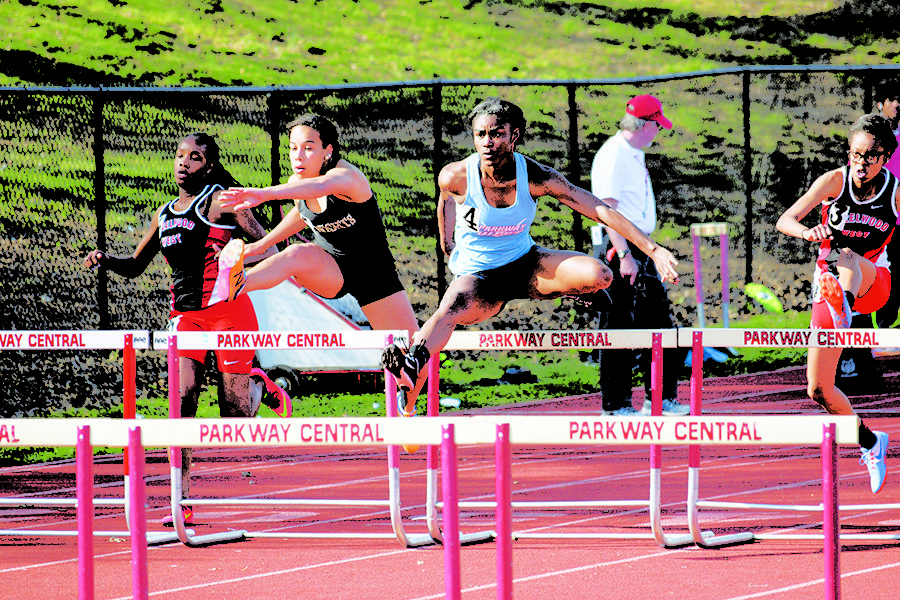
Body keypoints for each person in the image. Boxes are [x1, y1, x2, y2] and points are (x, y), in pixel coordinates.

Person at [380, 98, 679, 401]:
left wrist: (652, 249)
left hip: (526, 265)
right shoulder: (456, 176)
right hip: (481, 280)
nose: (487, 143)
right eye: (480, 135)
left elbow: (598, 208)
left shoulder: (536, 176)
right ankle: (413, 361)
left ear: (515, 136)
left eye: (496, 134)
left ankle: (573, 290)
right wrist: (449, 246)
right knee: (451, 306)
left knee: (600, 274)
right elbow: (445, 203)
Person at [82, 132, 290, 526]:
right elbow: (135, 265)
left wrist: (239, 253)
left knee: (234, 418)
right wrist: (106, 259)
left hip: (230, 312)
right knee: (182, 405)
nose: (183, 163)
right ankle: (182, 498)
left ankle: (262, 383)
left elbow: (272, 245)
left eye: (194, 158)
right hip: (187, 317)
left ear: (209, 166)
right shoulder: (164, 214)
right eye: (179, 155)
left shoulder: (219, 201)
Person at [216, 115, 426, 450]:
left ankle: (408, 408)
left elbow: (317, 189)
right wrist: (258, 247)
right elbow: (300, 213)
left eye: (308, 148)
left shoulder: (346, 177)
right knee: (298, 254)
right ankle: (234, 286)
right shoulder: (298, 185)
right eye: (293, 149)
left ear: (327, 151)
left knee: (418, 353)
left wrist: (261, 194)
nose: (298, 156)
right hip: (333, 270)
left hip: (375, 276)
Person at [775, 113, 898, 494]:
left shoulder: (894, 192)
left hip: (872, 280)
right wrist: (807, 230)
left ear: (886, 156)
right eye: (856, 155)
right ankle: (870, 441)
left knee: (844, 256)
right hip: (827, 279)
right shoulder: (833, 180)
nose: (862, 164)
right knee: (819, 388)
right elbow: (786, 220)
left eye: (871, 156)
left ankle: (843, 302)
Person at [590, 94, 689, 417]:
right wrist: (623, 254)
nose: (658, 133)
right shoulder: (615, 155)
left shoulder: (631, 153)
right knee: (617, 325)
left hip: (638, 246)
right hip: (620, 248)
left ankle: (659, 398)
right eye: (657, 126)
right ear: (645, 125)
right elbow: (606, 210)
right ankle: (615, 404)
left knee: (657, 324)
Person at [871, 80, 900, 330]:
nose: (898, 105)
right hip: (878, 218)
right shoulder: (871, 138)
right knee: (881, 271)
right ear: (881, 104)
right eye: (892, 100)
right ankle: (882, 326)